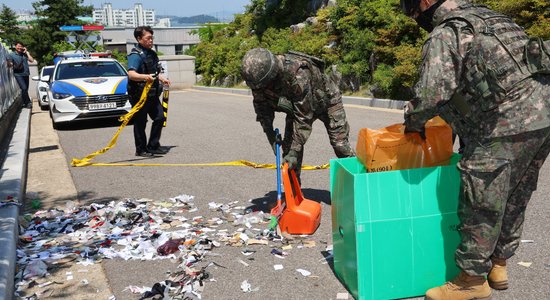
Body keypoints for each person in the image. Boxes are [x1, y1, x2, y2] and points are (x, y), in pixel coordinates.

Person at [400, 0, 550, 299]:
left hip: (505, 123)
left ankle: (471, 280)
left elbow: (431, 92)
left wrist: (413, 122)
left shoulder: (448, 32)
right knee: (515, 193)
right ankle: (499, 264)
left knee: (481, 198)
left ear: (426, 3)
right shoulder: (493, 19)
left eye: (414, 11)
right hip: (543, 116)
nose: (416, 18)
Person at [241, 48, 354, 179]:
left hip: (327, 102)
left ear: (273, 75)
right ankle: (293, 196)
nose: (261, 89)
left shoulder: (297, 74)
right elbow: (262, 108)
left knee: (341, 147)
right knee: (288, 158)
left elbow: (304, 117)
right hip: (297, 108)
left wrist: (295, 150)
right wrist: (270, 135)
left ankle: (363, 185)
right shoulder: (259, 81)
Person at [127, 26, 171, 157]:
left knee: (160, 118)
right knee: (140, 122)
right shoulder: (135, 55)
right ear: (139, 39)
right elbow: (131, 74)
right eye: (148, 38)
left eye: (152, 38)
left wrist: (162, 79)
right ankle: (141, 149)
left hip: (152, 94)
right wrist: (145, 77)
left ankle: (153, 145)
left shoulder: (151, 53)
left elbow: (154, 72)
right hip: (139, 95)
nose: (151, 40)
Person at [9, 41, 35, 109]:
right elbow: (10, 64)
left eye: (21, 46)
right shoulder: (12, 55)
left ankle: (24, 102)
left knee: (25, 89)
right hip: (18, 74)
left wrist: (27, 53)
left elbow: (32, 60)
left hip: (26, 73)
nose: (20, 47)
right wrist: (10, 64)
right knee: (24, 88)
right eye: (18, 46)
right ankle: (28, 103)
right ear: (15, 46)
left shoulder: (24, 54)